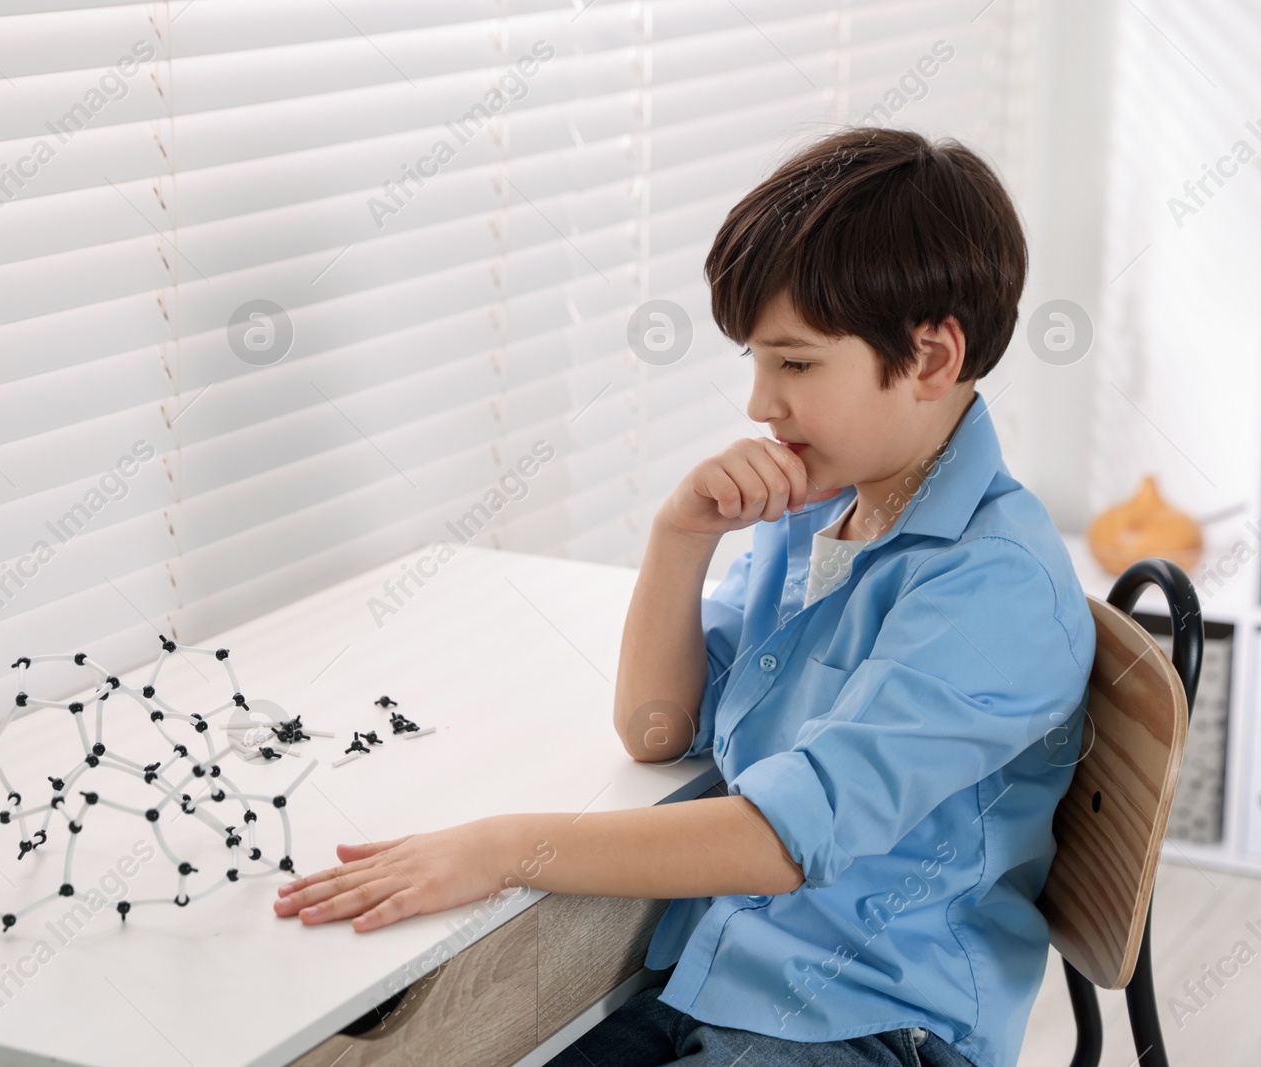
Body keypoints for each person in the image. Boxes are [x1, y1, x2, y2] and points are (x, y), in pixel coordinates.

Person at [272, 126, 1095, 1067]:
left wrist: (499, 847)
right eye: (754, 361)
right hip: (712, 979)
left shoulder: (996, 586)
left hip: (870, 1027)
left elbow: (781, 842)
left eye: (793, 364)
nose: (759, 402)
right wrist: (680, 534)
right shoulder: (812, 514)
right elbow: (658, 728)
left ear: (932, 358)